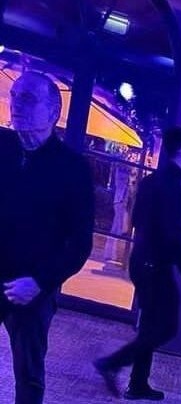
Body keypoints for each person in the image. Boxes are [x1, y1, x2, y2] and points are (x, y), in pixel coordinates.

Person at [0, 71, 94, 404]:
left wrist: (40, 281)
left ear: (54, 112)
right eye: (14, 96)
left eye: (28, 98)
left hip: (33, 288)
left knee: (29, 375)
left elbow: (80, 243)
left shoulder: (73, 169)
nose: (16, 104)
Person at [94, 126, 181, 401]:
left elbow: (137, 220)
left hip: (141, 261)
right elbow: (172, 238)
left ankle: (138, 384)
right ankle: (112, 363)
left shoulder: (150, 181)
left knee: (150, 326)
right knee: (167, 327)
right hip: (156, 266)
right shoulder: (175, 189)